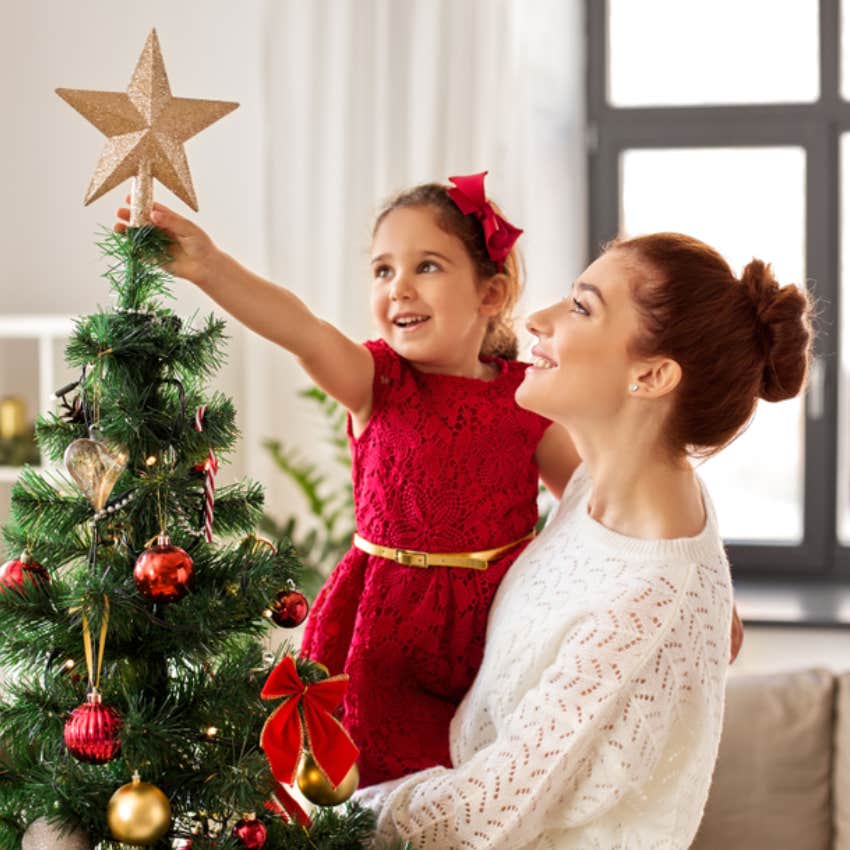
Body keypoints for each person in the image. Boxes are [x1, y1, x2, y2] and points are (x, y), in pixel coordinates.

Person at [114, 172, 580, 787]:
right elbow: (301, 329)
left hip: (498, 631)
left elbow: (595, 506)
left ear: (491, 293)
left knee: (481, 789)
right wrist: (211, 267)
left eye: (428, 267)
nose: (400, 289)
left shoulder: (529, 399)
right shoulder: (376, 380)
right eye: (383, 271)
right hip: (381, 634)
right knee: (371, 791)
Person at [354, 232, 812, 849]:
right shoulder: (605, 483)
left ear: (650, 375)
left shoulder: (649, 598)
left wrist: (316, 813)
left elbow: (473, 816)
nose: (537, 320)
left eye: (580, 307)